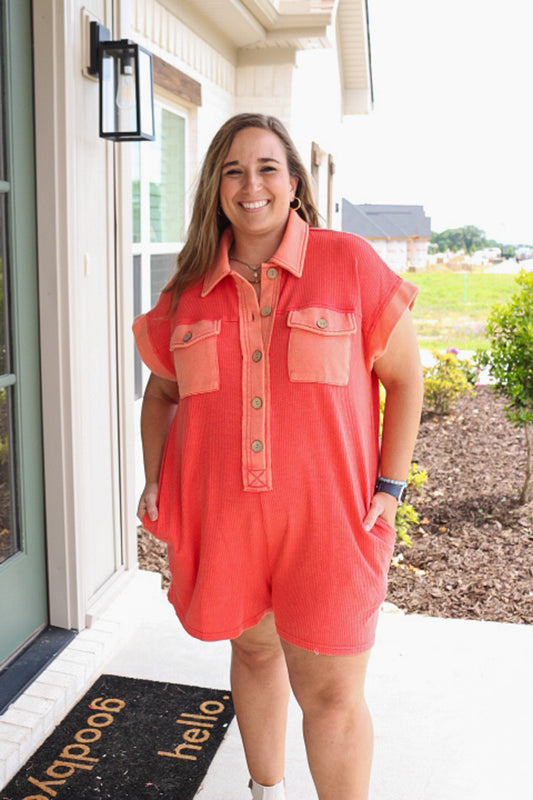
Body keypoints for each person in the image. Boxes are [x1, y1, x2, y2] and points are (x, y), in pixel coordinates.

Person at [134, 113, 424, 800]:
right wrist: (156, 478)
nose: (250, 184)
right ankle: (265, 791)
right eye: (232, 170)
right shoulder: (185, 292)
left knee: (329, 693)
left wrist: (390, 484)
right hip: (229, 523)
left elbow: (405, 378)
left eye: (266, 167)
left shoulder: (347, 262)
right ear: (215, 187)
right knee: (254, 651)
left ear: (292, 182)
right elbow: (161, 396)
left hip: (329, 524)